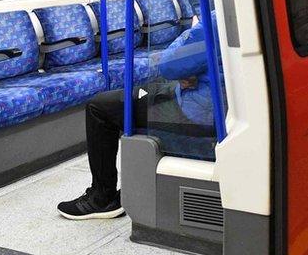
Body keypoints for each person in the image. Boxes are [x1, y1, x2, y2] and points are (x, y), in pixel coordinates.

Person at [56, 15, 220, 220]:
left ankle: (102, 197)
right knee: (139, 94)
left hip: (197, 112)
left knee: (99, 107)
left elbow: (169, 64)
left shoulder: (215, 19)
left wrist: (194, 28)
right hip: (216, 104)